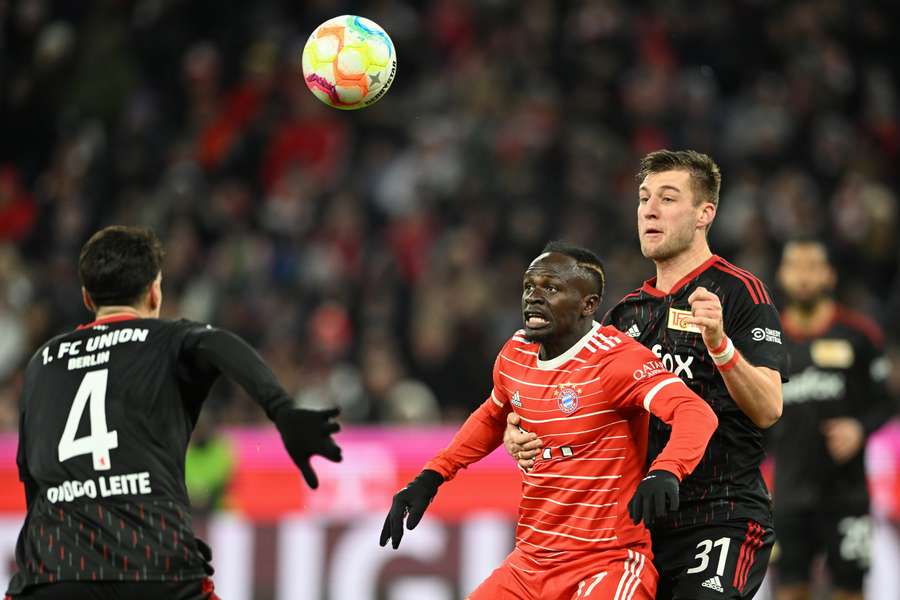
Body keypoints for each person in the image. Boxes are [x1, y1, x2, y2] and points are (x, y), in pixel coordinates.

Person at [506, 150, 789, 600]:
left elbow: (769, 407)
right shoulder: (624, 315)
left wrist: (720, 345)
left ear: (704, 214)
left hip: (722, 515)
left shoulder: (739, 292)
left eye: (668, 198)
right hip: (637, 525)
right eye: (643, 198)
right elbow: (572, 404)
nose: (650, 210)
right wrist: (520, 431)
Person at [5, 226, 343, 600]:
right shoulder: (165, 340)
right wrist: (281, 409)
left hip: (55, 572)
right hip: (154, 567)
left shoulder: (42, 363)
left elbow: (33, 476)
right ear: (154, 291)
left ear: (87, 297)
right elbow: (218, 343)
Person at [380, 242, 719, 599]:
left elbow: (695, 412)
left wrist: (666, 469)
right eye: (529, 286)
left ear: (588, 305)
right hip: (531, 564)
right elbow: (492, 416)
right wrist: (432, 476)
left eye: (552, 288)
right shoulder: (515, 353)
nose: (534, 297)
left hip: (607, 563)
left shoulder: (617, 361)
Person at [771, 237, 894, 600]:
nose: (804, 276)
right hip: (788, 493)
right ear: (782, 274)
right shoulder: (766, 339)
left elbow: (884, 403)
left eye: (813, 267)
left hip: (847, 493)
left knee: (849, 590)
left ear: (830, 275)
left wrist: (859, 428)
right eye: (796, 266)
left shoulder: (860, 335)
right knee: (790, 590)